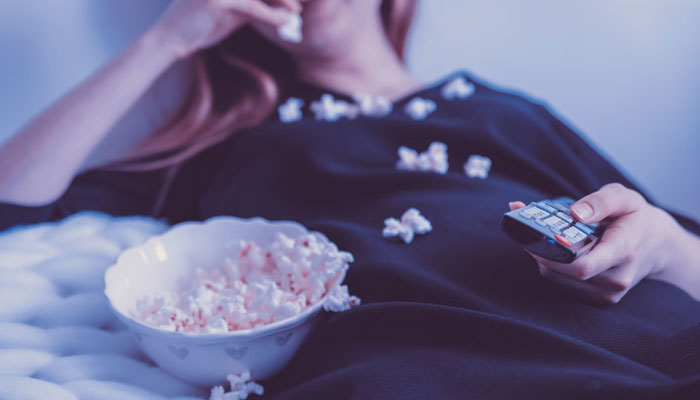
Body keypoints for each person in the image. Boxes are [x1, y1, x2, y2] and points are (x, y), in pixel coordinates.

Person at [1, 0, 699, 398]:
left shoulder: (506, 111)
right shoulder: (234, 144)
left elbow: (683, 256)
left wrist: (663, 245)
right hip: (422, 369)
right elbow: (14, 202)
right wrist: (167, 40)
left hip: (652, 343)